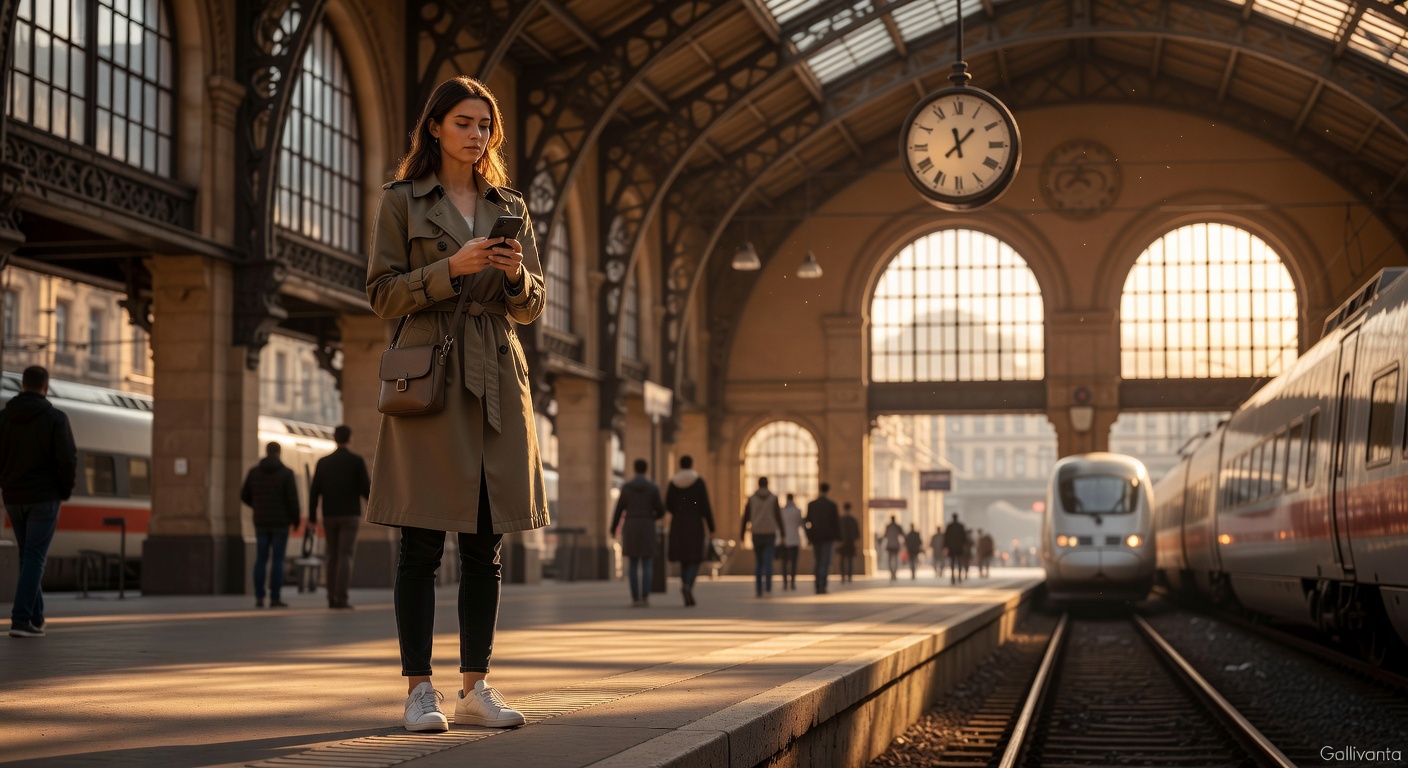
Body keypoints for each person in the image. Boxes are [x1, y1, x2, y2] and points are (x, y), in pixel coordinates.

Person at [365, 76, 548, 733]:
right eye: (464, 122)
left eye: (484, 125)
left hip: (496, 375)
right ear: (435, 127)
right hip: (432, 377)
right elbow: (382, 294)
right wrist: (454, 268)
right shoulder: (401, 203)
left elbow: (530, 306)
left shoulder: (510, 206)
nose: (476, 135)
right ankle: (420, 689)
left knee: (483, 545)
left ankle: (477, 686)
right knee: (419, 543)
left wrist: (513, 272)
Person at [0, 366, 76, 638]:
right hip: (44, 498)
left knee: (28, 556)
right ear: (46, 386)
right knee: (34, 556)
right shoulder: (56, 419)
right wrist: (64, 491)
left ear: (23, 385)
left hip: (13, 496)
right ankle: (20, 620)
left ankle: (36, 618)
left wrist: (6, 483)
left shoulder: (4, 418)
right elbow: (67, 459)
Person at [308, 424, 371, 609]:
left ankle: (330, 597)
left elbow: (314, 492)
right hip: (350, 515)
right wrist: (374, 509)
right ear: (349, 439)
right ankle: (341, 598)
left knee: (332, 555)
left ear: (335, 438)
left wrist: (312, 517)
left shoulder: (323, 462)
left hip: (329, 515)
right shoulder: (356, 461)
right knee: (345, 555)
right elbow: (365, 489)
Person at [240, 442, 300, 609]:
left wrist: (258, 506)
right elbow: (293, 500)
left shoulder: (254, 473)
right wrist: (295, 520)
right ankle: (275, 597)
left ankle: (259, 597)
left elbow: (244, 495)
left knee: (261, 559)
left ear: (266, 452)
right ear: (279, 453)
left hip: (261, 522)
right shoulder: (287, 473)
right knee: (278, 560)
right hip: (281, 523)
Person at [612, 458, 665, 607]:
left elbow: (619, 509)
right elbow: (661, 510)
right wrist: (652, 516)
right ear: (646, 469)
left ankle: (635, 597)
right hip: (647, 525)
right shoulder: (653, 487)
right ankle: (645, 596)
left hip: (631, 525)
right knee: (647, 562)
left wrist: (613, 528)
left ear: (635, 469)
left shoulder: (627, 487)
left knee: (633, 563)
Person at [665, 455, 715, 607]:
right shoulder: (699, 481)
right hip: (694, 523)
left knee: (683, 558)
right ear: (692, 464)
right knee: (695, 557)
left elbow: (667, 504)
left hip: (678, 523)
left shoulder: (673, 482)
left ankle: (685, 584)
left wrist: (678, 511)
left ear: (680, 465)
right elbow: (705, 505)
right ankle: (688, 585)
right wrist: (711, 526)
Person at [741, 477, 784, 597]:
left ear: (758, 484)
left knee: (759, 562)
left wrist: (742, 534)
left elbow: (746, 517)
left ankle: (759, 588)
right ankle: (768, 587)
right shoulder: (773, 498)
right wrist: (783, 533)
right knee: (768, 561)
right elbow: (778, 516)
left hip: (756, 532)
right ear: (767, 484)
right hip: (770, 532)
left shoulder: (751, 498)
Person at [804, 483, 840, 594]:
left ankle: (817, 584)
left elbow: (807, 522)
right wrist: (838, 538)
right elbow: (836, 523)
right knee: (825, 562)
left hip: (816, 537)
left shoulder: (812, 505)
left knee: (818, 561)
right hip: (828, 538)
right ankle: (822, 585)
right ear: (828, 490)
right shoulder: (832, 505)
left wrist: (809, 536)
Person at [777, 493, 803, 590]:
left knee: (784, 563)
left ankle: (785, 583)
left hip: (784, 540)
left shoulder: (782, 511)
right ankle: (792, 582)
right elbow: (800, 523)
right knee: (793, 563)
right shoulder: (797, 510)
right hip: (794, 540)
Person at [837, 503, 861, 583]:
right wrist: (855, 542)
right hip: (850, 542)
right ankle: (849, 576)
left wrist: (839, 541)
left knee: (843, 559)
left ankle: (843, 575)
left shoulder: (841, 519)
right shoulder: (852, 519)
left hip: (843, 542)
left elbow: (838, 531)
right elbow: (856, 532)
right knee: (850, 559)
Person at [943, 513, 967, 585]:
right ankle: (959, 576)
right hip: (959, 547)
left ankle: (953, 577)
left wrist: (945, 546)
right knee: (959, 562)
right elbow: (964, 538)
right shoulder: (960, 526)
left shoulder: (949, 526)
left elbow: (946, 537)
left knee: (952, 562)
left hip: (951, 547)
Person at [881, 516, 904, 583]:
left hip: (890, 545)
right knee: (896, 560)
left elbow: (885, 535)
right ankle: (894, 574)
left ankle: (892, 573)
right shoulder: (898, 526)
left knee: (890, 560)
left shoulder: (888, 527)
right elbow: (902, 534)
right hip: (896, 545)